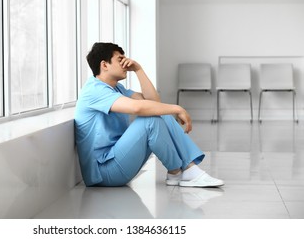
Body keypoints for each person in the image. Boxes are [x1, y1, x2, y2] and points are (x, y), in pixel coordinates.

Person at [74, 42, 224, 188]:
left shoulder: (116, 88)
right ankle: (181, 171)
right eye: (120, 60)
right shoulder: (94, 90)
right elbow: (137, 108)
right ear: (104, 65)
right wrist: (177, 108)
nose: (125, 63)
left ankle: (183, 171)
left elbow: (153, 101)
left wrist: (138, 69)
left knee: (159, 112)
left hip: (116, 160)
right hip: (103, 173)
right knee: (151, 119)